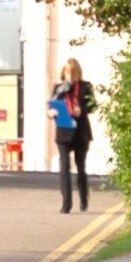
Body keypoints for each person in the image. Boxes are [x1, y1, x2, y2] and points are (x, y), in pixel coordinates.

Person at [49, 58, 97, 214]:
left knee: (81, 167)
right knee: (64, 167)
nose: (70, 75)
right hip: (64, 131)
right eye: (67, 72)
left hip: (80, 132)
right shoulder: (58, 89)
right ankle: (66, 203)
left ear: (78, 73)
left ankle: (83, 199)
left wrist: (81, 110)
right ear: (63, 73)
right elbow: (51, 106)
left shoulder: (85, 87)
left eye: (73, 72)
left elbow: (93, 106)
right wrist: (51, 113)